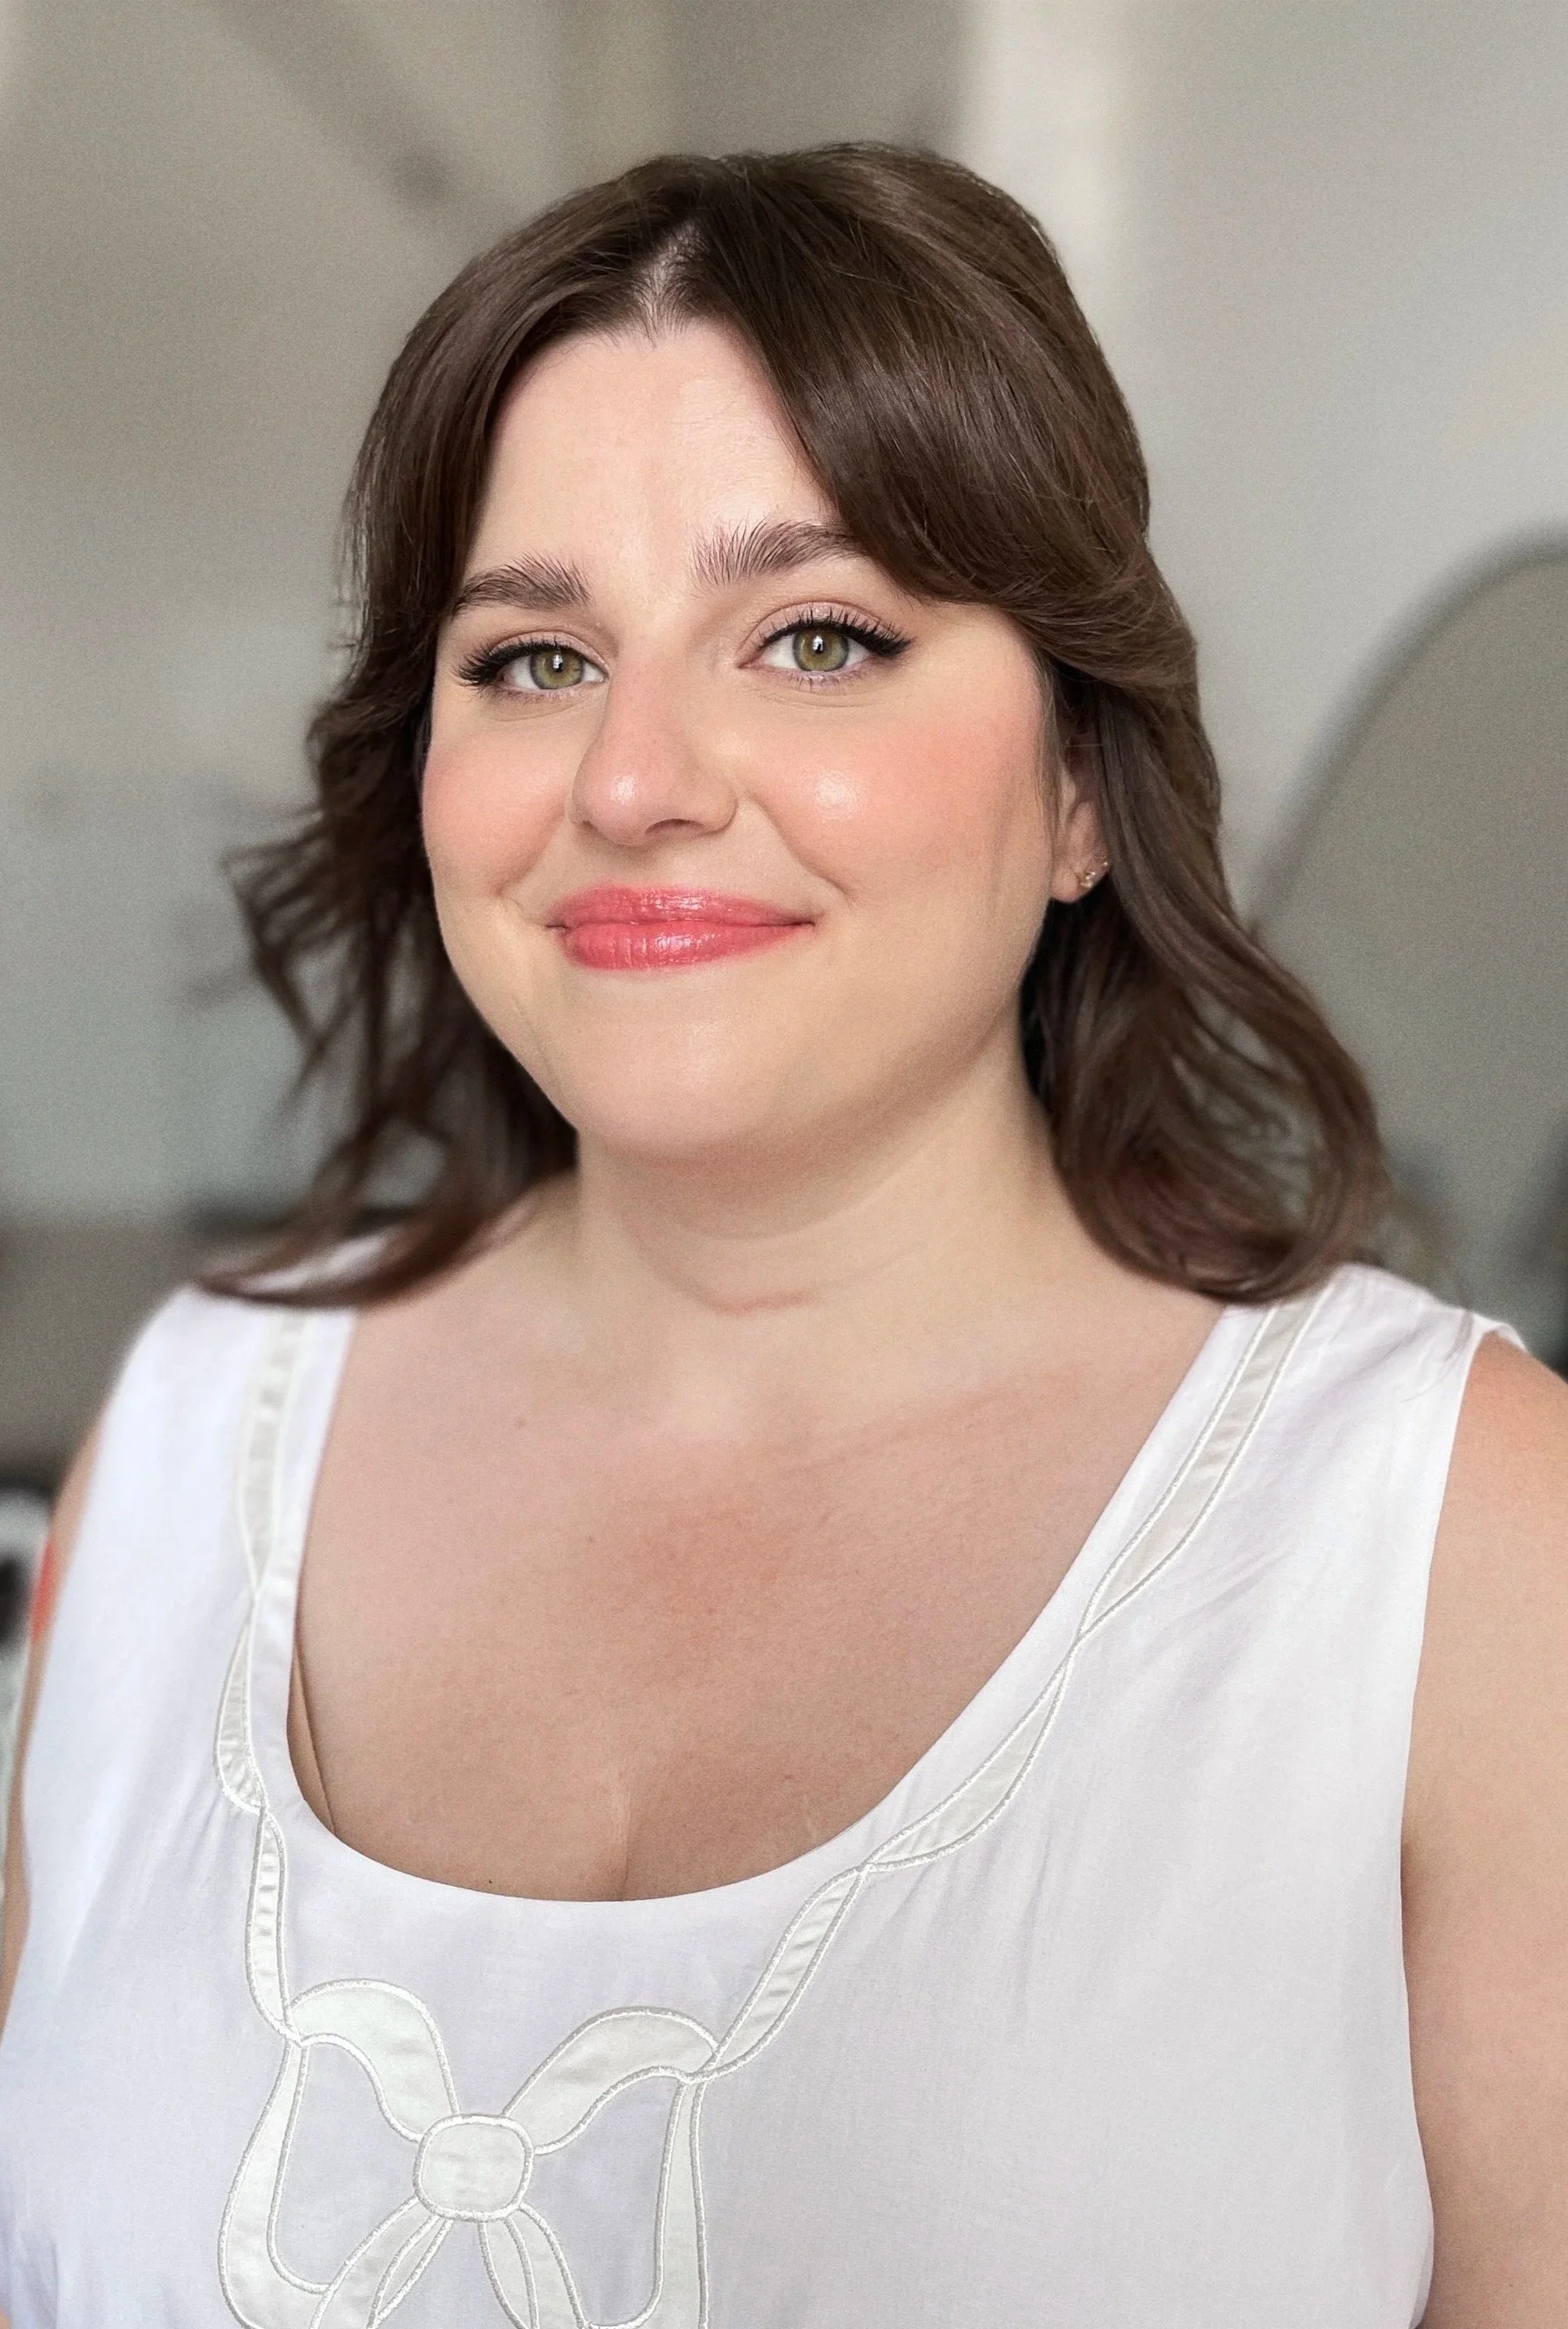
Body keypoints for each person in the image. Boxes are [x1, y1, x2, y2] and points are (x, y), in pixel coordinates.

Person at [1, 144, 1565, 2329]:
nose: (637, 776)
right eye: (534, 657)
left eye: (818, 636)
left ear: (1084, 787)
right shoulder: (182, 1446)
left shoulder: (1461, 1540)